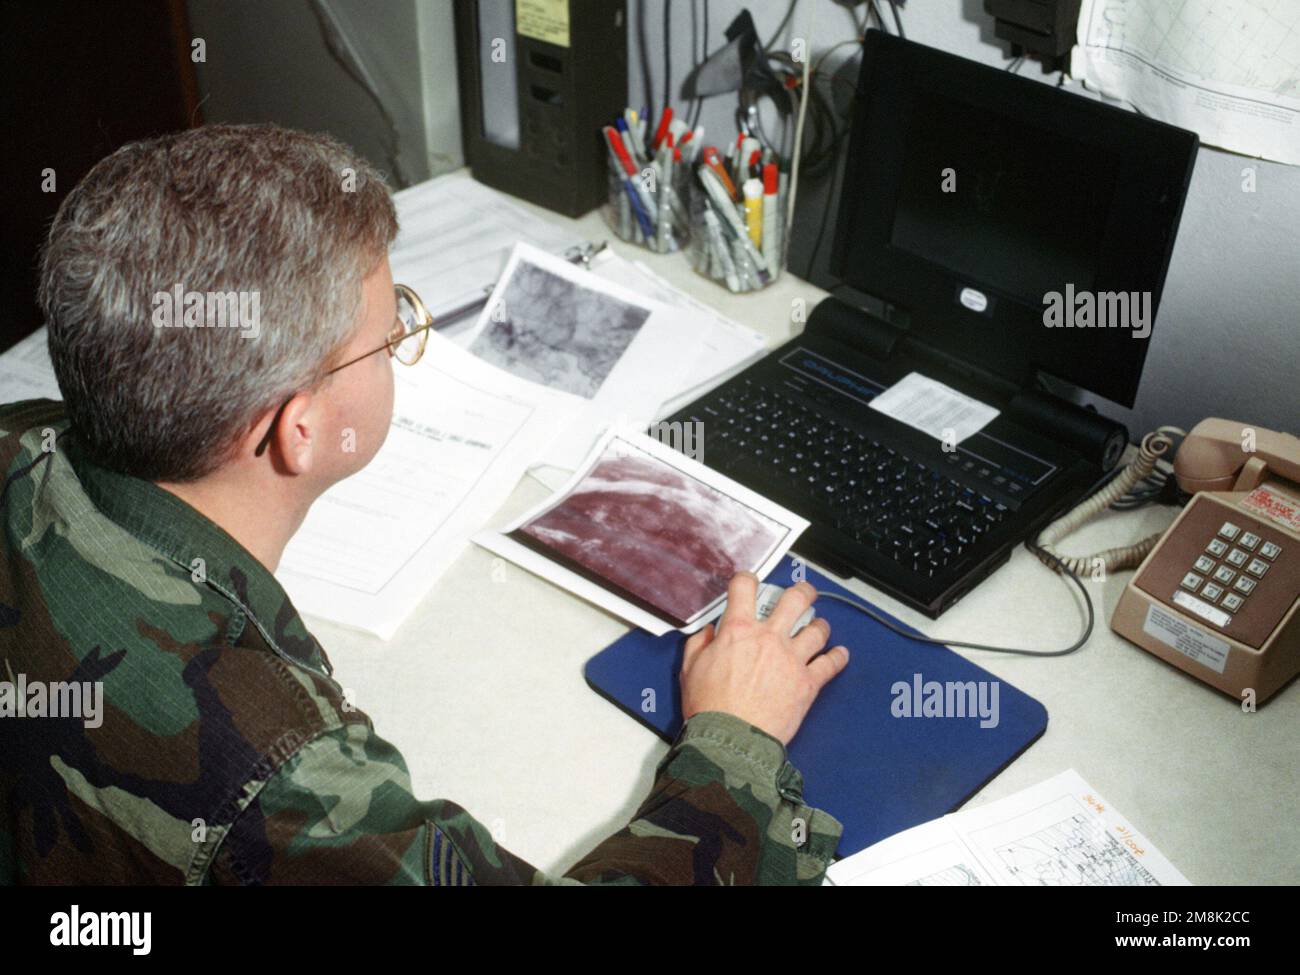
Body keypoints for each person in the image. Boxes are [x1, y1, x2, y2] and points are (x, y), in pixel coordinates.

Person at [0, 124, 849, 885]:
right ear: (300, 430)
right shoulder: (279, 771)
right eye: (391, 332)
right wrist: (735, 737)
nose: (405, 340)